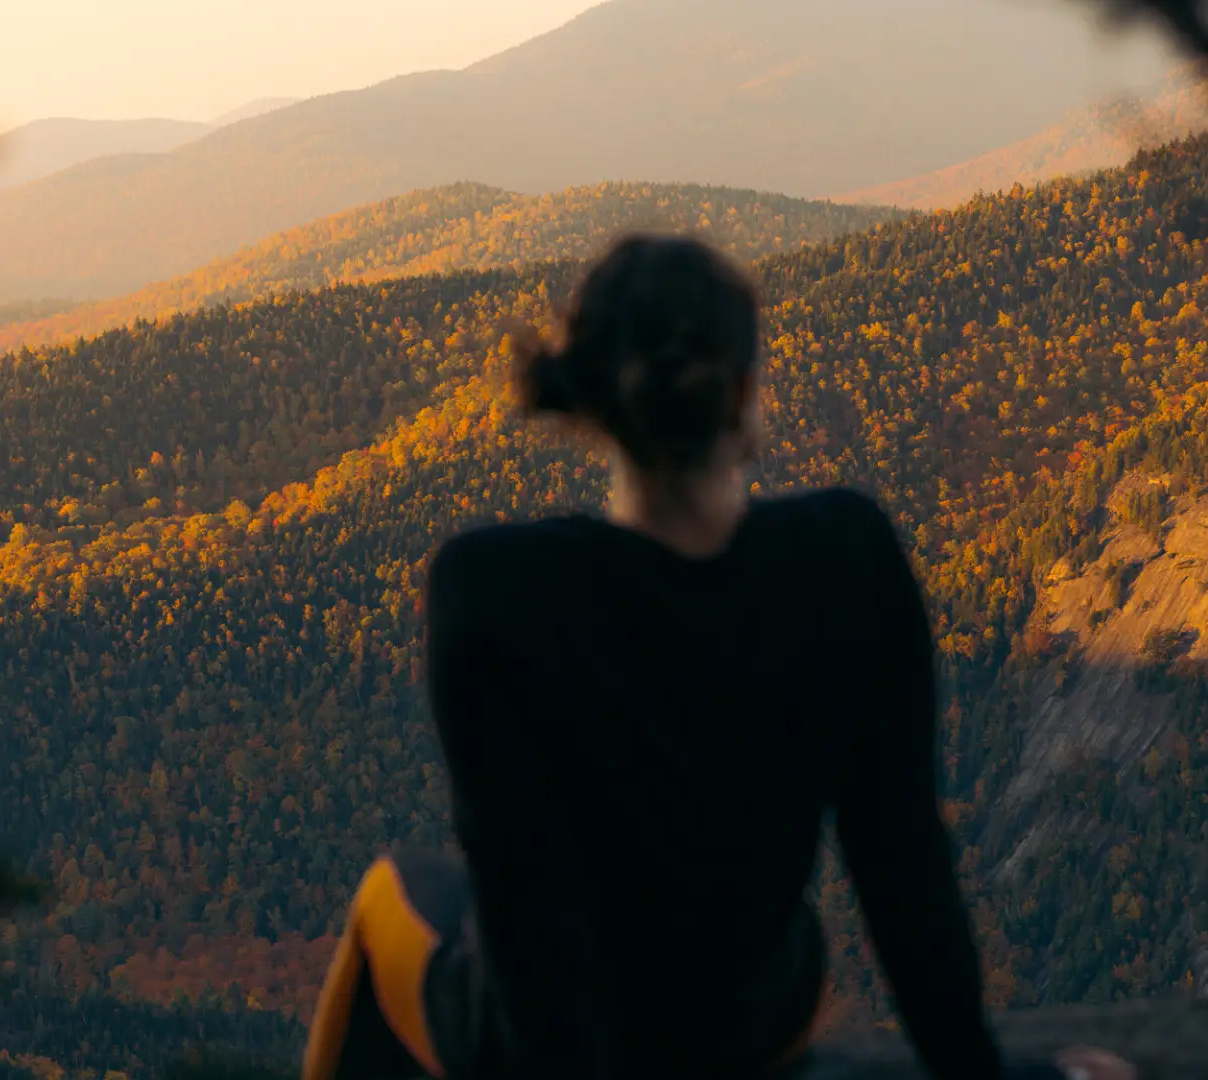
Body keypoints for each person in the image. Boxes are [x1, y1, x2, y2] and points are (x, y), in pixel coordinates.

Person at [301, 234, 1136, 1080]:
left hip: (540, 1044)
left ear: (591, 407)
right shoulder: (847, 560)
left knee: (392, 892)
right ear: (743, 396)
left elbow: (530, 916)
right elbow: (901, 867)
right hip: (748, 1021)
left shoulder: (491, 590)